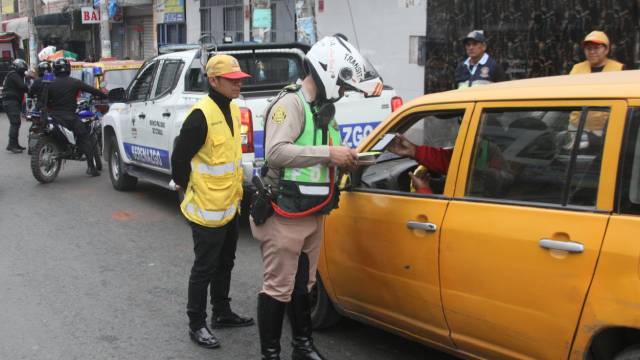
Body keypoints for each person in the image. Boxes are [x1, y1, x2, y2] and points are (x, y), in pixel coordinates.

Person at [250, 34, 383, 360]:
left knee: (303, 286)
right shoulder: (290, 103)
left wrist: (349, 159)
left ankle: (303, 346)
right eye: (341, 84)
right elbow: (277, 153)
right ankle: (271, 354)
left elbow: (327, 159)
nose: (341, 91)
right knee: (278, 287)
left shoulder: (323, 109)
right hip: (285, 211)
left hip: (314, 211)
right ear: (325, 72)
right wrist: (328, 153)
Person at [170, 54, 254, 350]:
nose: (237, 85)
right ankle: (197, 323)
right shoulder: (200, 115)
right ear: (213, 80)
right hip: (206, 209)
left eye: (239, 80)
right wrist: (186, 187)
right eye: (231, 81)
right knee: (204, 267)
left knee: (226, 262)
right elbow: (179, 159)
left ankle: (221, 312)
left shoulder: (232, 110)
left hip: (230, 204)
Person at [46, 58, 107, 176]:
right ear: (68, 69)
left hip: (53, 117)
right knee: (84, 137)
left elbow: (44, 101)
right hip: (69, 118)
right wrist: (104, 95)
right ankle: (91, 168)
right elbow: (92, 90)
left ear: (55, 70)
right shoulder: (75, 82)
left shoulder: (50, 84)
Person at [2, 58, 29, 153]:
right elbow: (23, 87)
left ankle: (15, 144)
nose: (24, 72)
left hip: (11, 102)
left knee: (16, 122)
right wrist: (29, 88)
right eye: (23, 69)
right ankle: (12, 145)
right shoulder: (14, 74)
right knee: (15, 122)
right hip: (11, 102)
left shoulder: (12, 75)